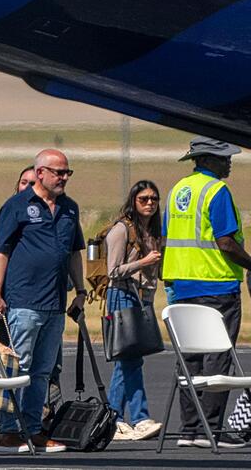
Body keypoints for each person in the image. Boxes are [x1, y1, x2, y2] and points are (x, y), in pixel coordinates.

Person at [160, 136, 251, 449]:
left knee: (189, 362)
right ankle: (212, 431)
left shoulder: (177, 190)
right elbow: (226, 243)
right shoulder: (217, 191)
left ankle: (190, 431)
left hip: (182, 287)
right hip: (217, 285)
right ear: (208, 160)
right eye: (224, 158)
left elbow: (166, 240)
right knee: (217, 360)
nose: (229, 162)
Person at [0, 149, 87, 453]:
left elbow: (73, 253)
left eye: (67, 173)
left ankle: (32, 430)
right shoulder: (17, 206)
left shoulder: (70, 208)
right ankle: (8, 430)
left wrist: (80, 291)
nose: (63, 178)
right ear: (40, 172)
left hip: (55, 303)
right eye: (59, 172)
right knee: (20, 367)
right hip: (23, 301)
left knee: (43, 370)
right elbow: (2, 252)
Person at [105, 180, 164, 441]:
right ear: (133, 201)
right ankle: (139, 417)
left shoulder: (154, 230)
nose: (149, 203)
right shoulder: (121, 230)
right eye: (143, 199)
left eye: (153, 198)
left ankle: (113, 417)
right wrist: (144, 261)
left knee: (127, 361)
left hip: (143, 298)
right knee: (130, 359)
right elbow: (113, 271)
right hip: (123, 295)